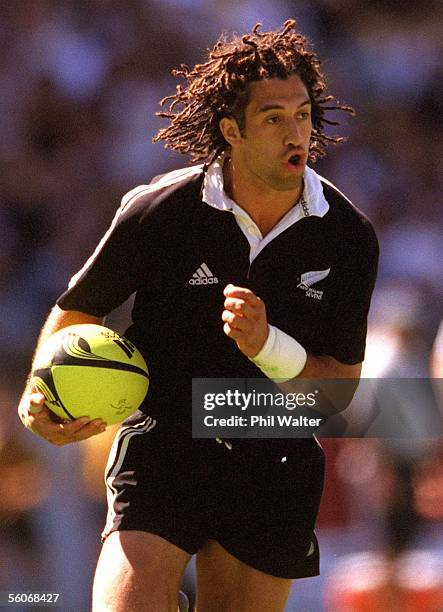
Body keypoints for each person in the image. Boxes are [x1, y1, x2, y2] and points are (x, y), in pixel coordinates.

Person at [18, 20, 378, 612]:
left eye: (304, 114)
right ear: (231, 130)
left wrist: (267, 346)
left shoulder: (349, 237)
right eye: (273, 118)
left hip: (275, 455)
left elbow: (337, 394)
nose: (298, 133)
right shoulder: (160, 209)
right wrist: (41, 392)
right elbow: (76, 309)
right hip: (164, 445)